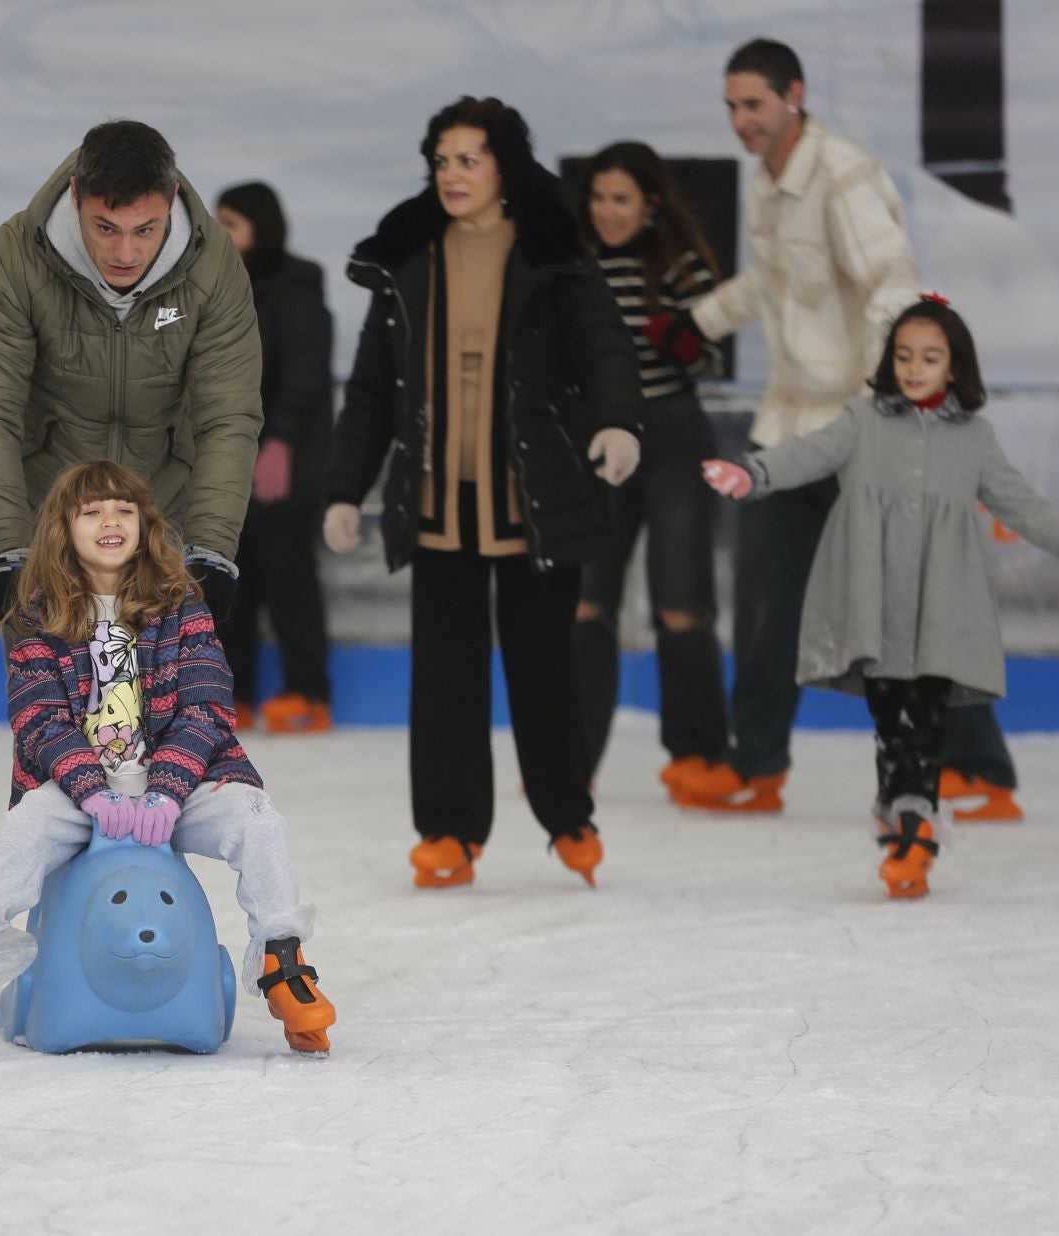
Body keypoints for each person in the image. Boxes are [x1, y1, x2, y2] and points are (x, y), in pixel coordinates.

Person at [675, 37, 1027, 819]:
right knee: (765, 602)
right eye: (732, 107)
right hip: (790, 430)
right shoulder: (767, 179)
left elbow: (891, 287)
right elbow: (771, 281)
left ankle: (983, 771)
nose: (742, 121)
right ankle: (756, 765)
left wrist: (888, 403)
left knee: (911, 608)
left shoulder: (843, 176)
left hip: (859, 430)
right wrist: (695, 322)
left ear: (793, 94)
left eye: (755, 105)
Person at [0, 461, 335, 1055]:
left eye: (124, 511)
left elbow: (207, 708)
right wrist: (90, 788)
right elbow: (39, 719)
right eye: (92, 511)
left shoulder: (183, 605)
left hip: (181, 787)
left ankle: (283, 960)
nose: (111, 521)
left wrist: (170, 787)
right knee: (22, 833)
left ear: (144, 525)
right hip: (84, 792)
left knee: (256, 818)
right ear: (64, 528)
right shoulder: (39, 615)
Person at [702, 296, 1059, 897]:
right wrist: (755, 474)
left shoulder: (975, 441)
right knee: (892, 722)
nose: (913, 367)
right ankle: (903, 819)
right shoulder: (862, 420)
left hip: (941, 611)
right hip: (875, 608)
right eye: (903, 355)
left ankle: (912, 834)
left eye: (929, 357)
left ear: (953, 367)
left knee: (922, 724)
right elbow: (807, 452)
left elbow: (1023, 506)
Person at [323, 97, 644, 891]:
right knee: (444, 681)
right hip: (436, 506)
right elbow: (371, 389)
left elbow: (606, 349)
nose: (452, 174)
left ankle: (568, 816)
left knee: (545, 672)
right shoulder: (408, 256)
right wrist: (342, 488)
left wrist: (618, 424)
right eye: (441, 160)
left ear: (504, 164)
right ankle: (449, 832)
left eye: (469, 159)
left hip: (533, 499)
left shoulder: (550, 248)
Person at [0, 121, 262, 627]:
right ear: (76, 196)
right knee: (51, 705)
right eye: (105, 228)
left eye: (146, 229)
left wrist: (211, 548)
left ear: (173, 198)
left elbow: (228, 415)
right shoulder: (14, 260)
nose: (125, 254)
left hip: (163, 523)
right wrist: (7, 548)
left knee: (161, 706)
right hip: (47, 526)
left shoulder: (213, 268)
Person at [569, 142, 730, 801]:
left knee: (679, 601)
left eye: (622, 200)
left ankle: (698, 755)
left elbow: (714, 359)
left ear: (651, 204)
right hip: (602, 442)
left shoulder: (680, 266)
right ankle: (573, 758)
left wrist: (681, 337)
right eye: (599, 198)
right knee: (584, 604)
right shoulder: (575, 265)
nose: (607, 212)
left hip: (671, 439)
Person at [214, 182, 335, 733]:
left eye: (232, 223)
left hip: (288, 463)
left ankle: (309, 692)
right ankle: (234, 694)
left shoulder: (295, 292)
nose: (220, 234)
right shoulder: (215, 288)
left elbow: (304, 374)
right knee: (234, 582)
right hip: (232, 461)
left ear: (262, 227)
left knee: (291, 581)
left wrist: (280, 441)